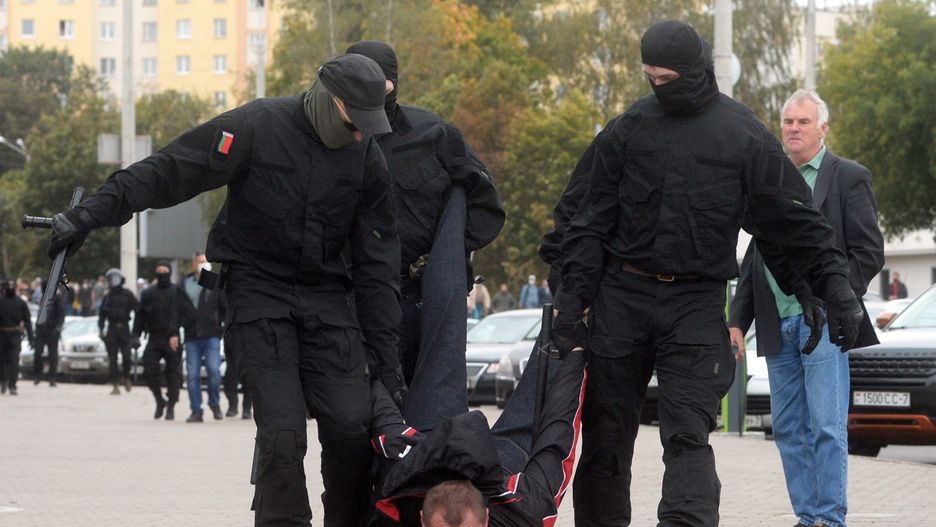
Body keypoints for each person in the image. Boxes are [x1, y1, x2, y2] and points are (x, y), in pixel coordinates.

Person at [46, 53, 402, 526]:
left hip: (327, 299)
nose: (359, 134)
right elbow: (169, 170)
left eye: (367, 126)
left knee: (352, 429)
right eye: (352, 122)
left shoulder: (366, 156)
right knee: (281, 435)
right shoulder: (255, 127)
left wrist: (387, 362)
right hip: (258, 295)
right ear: (326, 97)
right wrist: (89, 214)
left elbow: (377, 265)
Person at [549, 20, 865, 527]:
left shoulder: (743, 136)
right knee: (606, 438)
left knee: (688, 435)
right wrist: (568, 301)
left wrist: (834, 291)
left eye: (668, 76)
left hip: (695, 306)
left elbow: (792, 224)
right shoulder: (628, 129)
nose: (658, 85)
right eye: (650, 76)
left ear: (696, 71)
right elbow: (584, 221)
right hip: (620, 300)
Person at [729, 89, 884, 527]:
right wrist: (738, 320)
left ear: (823, 128)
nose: (793, 128)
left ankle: (830, 519)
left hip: (826, 325)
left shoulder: (847, 177)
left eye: (803, 122)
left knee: (827, 427)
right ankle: (807, 515)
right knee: (790, 430)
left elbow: (869, 253)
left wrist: (833, 295)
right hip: (777, 324)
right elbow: (755, 257)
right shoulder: (770, 182)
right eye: (788, 122)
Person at [345, 40, 505, 390]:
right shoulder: (329, 140)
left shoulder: (434, 134)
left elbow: (486, 205)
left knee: (420, 406)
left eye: (379, 83)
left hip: (415, 301)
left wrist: (445, 258)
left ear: (393, 83)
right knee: (351, 415)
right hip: (347, 299)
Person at [369, 348, 588, 527]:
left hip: (503, 472)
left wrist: (576, 352)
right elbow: (555, 441)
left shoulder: (525, 511)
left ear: (485, 519)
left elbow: (556, 436)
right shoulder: (406, 483)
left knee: (560, 339)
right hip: (451, 456)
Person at [134, 262, 194, 419]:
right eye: (158, 271)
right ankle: (160, 400)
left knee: (173, 374)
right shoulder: (148, 293)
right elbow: (140, 316)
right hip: (154, 337)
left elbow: (187, 313)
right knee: (149, 369)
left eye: (164, 271)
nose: (161, 274)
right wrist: (135, 335)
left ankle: (171, 406)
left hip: (172, 338)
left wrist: (177, 331)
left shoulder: (177, 291)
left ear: (169, 273)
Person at [181, 252, 226, 422]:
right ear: (194, 264)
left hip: (211, 334)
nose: (203, 264)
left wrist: (221, 326)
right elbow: (180, 307)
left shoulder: (214, 282)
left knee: (214, 371)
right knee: (192, 375)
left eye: (206, 261)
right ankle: (196, 410)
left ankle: (214, 403)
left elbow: (223, 306)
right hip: (192, 335)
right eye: (200, 261)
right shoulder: (185, 283)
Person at [99, 268, 139, 395]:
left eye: (115, 279)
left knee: (127, 357)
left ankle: (126, 377)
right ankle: (115, 384)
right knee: (112, 358)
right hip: (112, 329)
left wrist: (137, 331)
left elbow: (138, 310)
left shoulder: (127, 294)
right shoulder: (107, 296)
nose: (113, 282)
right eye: (111, 279)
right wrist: (100, 329)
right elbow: (102, 315)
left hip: (125, 328)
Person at [0, 277, 34, 395]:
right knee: (2, 360)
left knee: (14, 361)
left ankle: (12, 384)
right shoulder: (1, 301)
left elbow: (27, 320)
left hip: (14, 334)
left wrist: (31, 338)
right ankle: (3, 380)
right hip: (2, 334)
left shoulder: (20, 303)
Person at [33, 280, 68, 386]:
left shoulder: (57, 298)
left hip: (52, 330)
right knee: (37, 353)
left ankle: (52, 378)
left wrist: (57, 327)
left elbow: (61, 314)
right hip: (41, 330)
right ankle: (38, 375)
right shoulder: (43, 299)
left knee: (53, 355)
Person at [222, 335, 252, 419]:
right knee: (229, 381)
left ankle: (247, 409)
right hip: (232, 340)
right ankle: (233, 405)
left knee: (249, 379)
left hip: (249, 343)